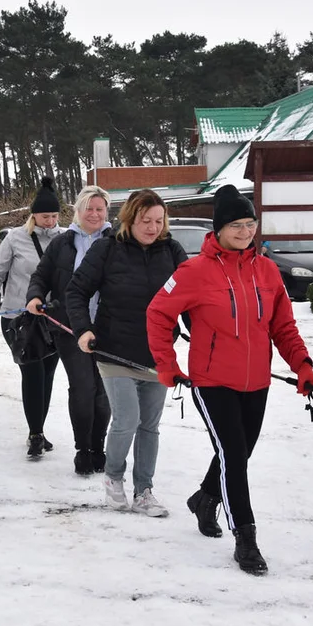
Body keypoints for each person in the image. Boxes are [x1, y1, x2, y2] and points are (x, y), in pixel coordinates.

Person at [146, 184, 313, 575]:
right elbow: (158, 314)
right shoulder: (194, 271)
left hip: (257, 382)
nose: (245, 231)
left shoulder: (268, 271)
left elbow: (283, 326)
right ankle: (246, 538)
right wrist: (167, 364)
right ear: (219, 229)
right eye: (236, 225)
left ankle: (206, 498)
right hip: (212, 381)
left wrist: (301, 365)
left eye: (250, 223)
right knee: (234, 458)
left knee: (236, 452)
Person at [65, 189, 189, 518]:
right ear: (130, 219)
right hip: (114, 350)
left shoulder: (173, 252)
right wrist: (83, 329)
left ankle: (144, 490)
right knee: (127, 420)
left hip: (158, 354)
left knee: (149, 425)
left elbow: (193, 300)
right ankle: (113, 477)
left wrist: (207, 338)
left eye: (159, 221)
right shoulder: (108, 249)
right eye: (145, 220)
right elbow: (76, 290)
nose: (152, 227)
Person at [27, 185, 114, 475]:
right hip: (70, 327)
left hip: (109, 329)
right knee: (83, 387)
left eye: (99, 208)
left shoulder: (118, 241)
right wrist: (35, 296)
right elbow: (41, 275)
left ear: (107, 212)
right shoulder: (63, 243)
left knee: (103, 392)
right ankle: (83, 449)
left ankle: (98, 446)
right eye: (89, 208)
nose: (94, 213)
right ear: (77, 211)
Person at [0, 176, 65, 458]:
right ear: (34, 215)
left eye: (55, 216)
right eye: (45, 216)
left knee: (48, 374)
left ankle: (39, 428)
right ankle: (35, 433)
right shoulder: (16, 238)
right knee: (32, 372)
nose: (50, 221)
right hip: (19, 317)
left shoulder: (66, 238)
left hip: (53, 318)